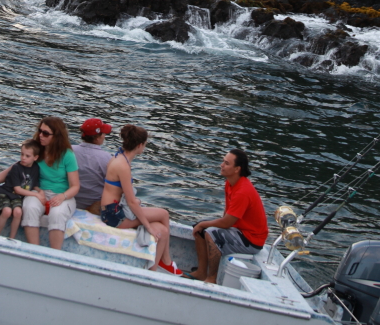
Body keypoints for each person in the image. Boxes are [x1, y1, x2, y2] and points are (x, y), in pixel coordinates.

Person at [101, 124, 182, 276]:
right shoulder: (123, 166)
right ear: (139, 145)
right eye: (145, 144)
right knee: (164, 214)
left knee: (163, 229)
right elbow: (131, 202)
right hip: (114, 216)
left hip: (111, 210)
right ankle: (164, 264)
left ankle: (160, 265)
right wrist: (148, 226)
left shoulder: (118, 156)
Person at [191, 149, 269, 284]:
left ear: (237, 169)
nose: (221, 165)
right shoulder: (230, 183)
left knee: (211, 233)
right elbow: (227, 214)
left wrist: (204, 225)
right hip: (239, 230)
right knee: (201, 229)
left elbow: (227, 222)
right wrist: (202, 225)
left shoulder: (243, 191)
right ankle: (201, 272)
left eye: (226, 163)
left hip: (252, 240)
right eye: (223, 161)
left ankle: (212, 278)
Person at [22, 117, 80, 250]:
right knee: (30, 208)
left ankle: (54, 253)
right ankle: (34, 250)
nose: (41, 135)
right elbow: (17, 167)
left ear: (57, 136)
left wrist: (62, 196)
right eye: (40, 131)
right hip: (40, 192)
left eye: (46, 133)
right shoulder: (37, 150)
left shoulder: (67, 155)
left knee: (57, 214)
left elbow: (75, 186)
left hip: (63, 195)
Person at [0, 139, 42, 239]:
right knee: (7, 211)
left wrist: (40, 191)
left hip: (17, 197)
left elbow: (34, 184)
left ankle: (11, 238)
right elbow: (18, 189)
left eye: (27, 156)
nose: (23, 158)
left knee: (18, 212)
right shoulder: (16, 167)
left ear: (35, 157)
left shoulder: (36, 168)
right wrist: (36, 194)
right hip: (5, 194)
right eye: (22, 154)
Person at [73, 117, 112, 215]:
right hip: (94, 205)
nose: (104, 136)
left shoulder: (69, 151)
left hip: (72, 200)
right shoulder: (106, 158)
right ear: (97, 138)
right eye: (103, 134)